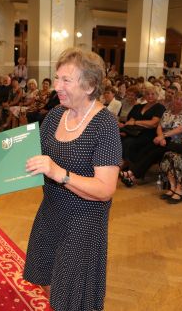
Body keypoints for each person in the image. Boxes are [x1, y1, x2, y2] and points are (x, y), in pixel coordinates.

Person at [23, 47, 122, 311]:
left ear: (89, 85)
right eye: (57, 78)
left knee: (72, 296)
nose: (57, 86)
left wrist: (60, 174)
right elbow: (31, 158)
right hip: (50, 213)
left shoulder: (105, 125)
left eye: (66, 80)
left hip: (83, 223)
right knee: (46, 279)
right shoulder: (56, 115)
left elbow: (105, 189)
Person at [120, 91, 182, 186]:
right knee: (146, 148)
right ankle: (132, 176)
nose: (178, 101)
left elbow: (180, 129)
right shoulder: (168, 112)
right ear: (173, 100)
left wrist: (163, 136)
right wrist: (160, 136)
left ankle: (131, 173)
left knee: (155, 152)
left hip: (177, 141)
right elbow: (159, 126)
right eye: (177, 99)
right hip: (163, 139)